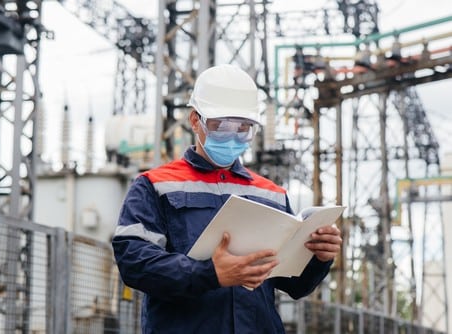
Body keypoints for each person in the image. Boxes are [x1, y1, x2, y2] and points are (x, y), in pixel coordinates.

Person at [112, 64, 342, 334]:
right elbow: (135, 263)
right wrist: (210, 273)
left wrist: (319, 257)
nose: (232, 136)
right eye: (221, 126)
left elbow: (295, 285)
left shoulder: (271, 194)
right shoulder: (154, 185)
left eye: (243, 128)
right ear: (195, 120)